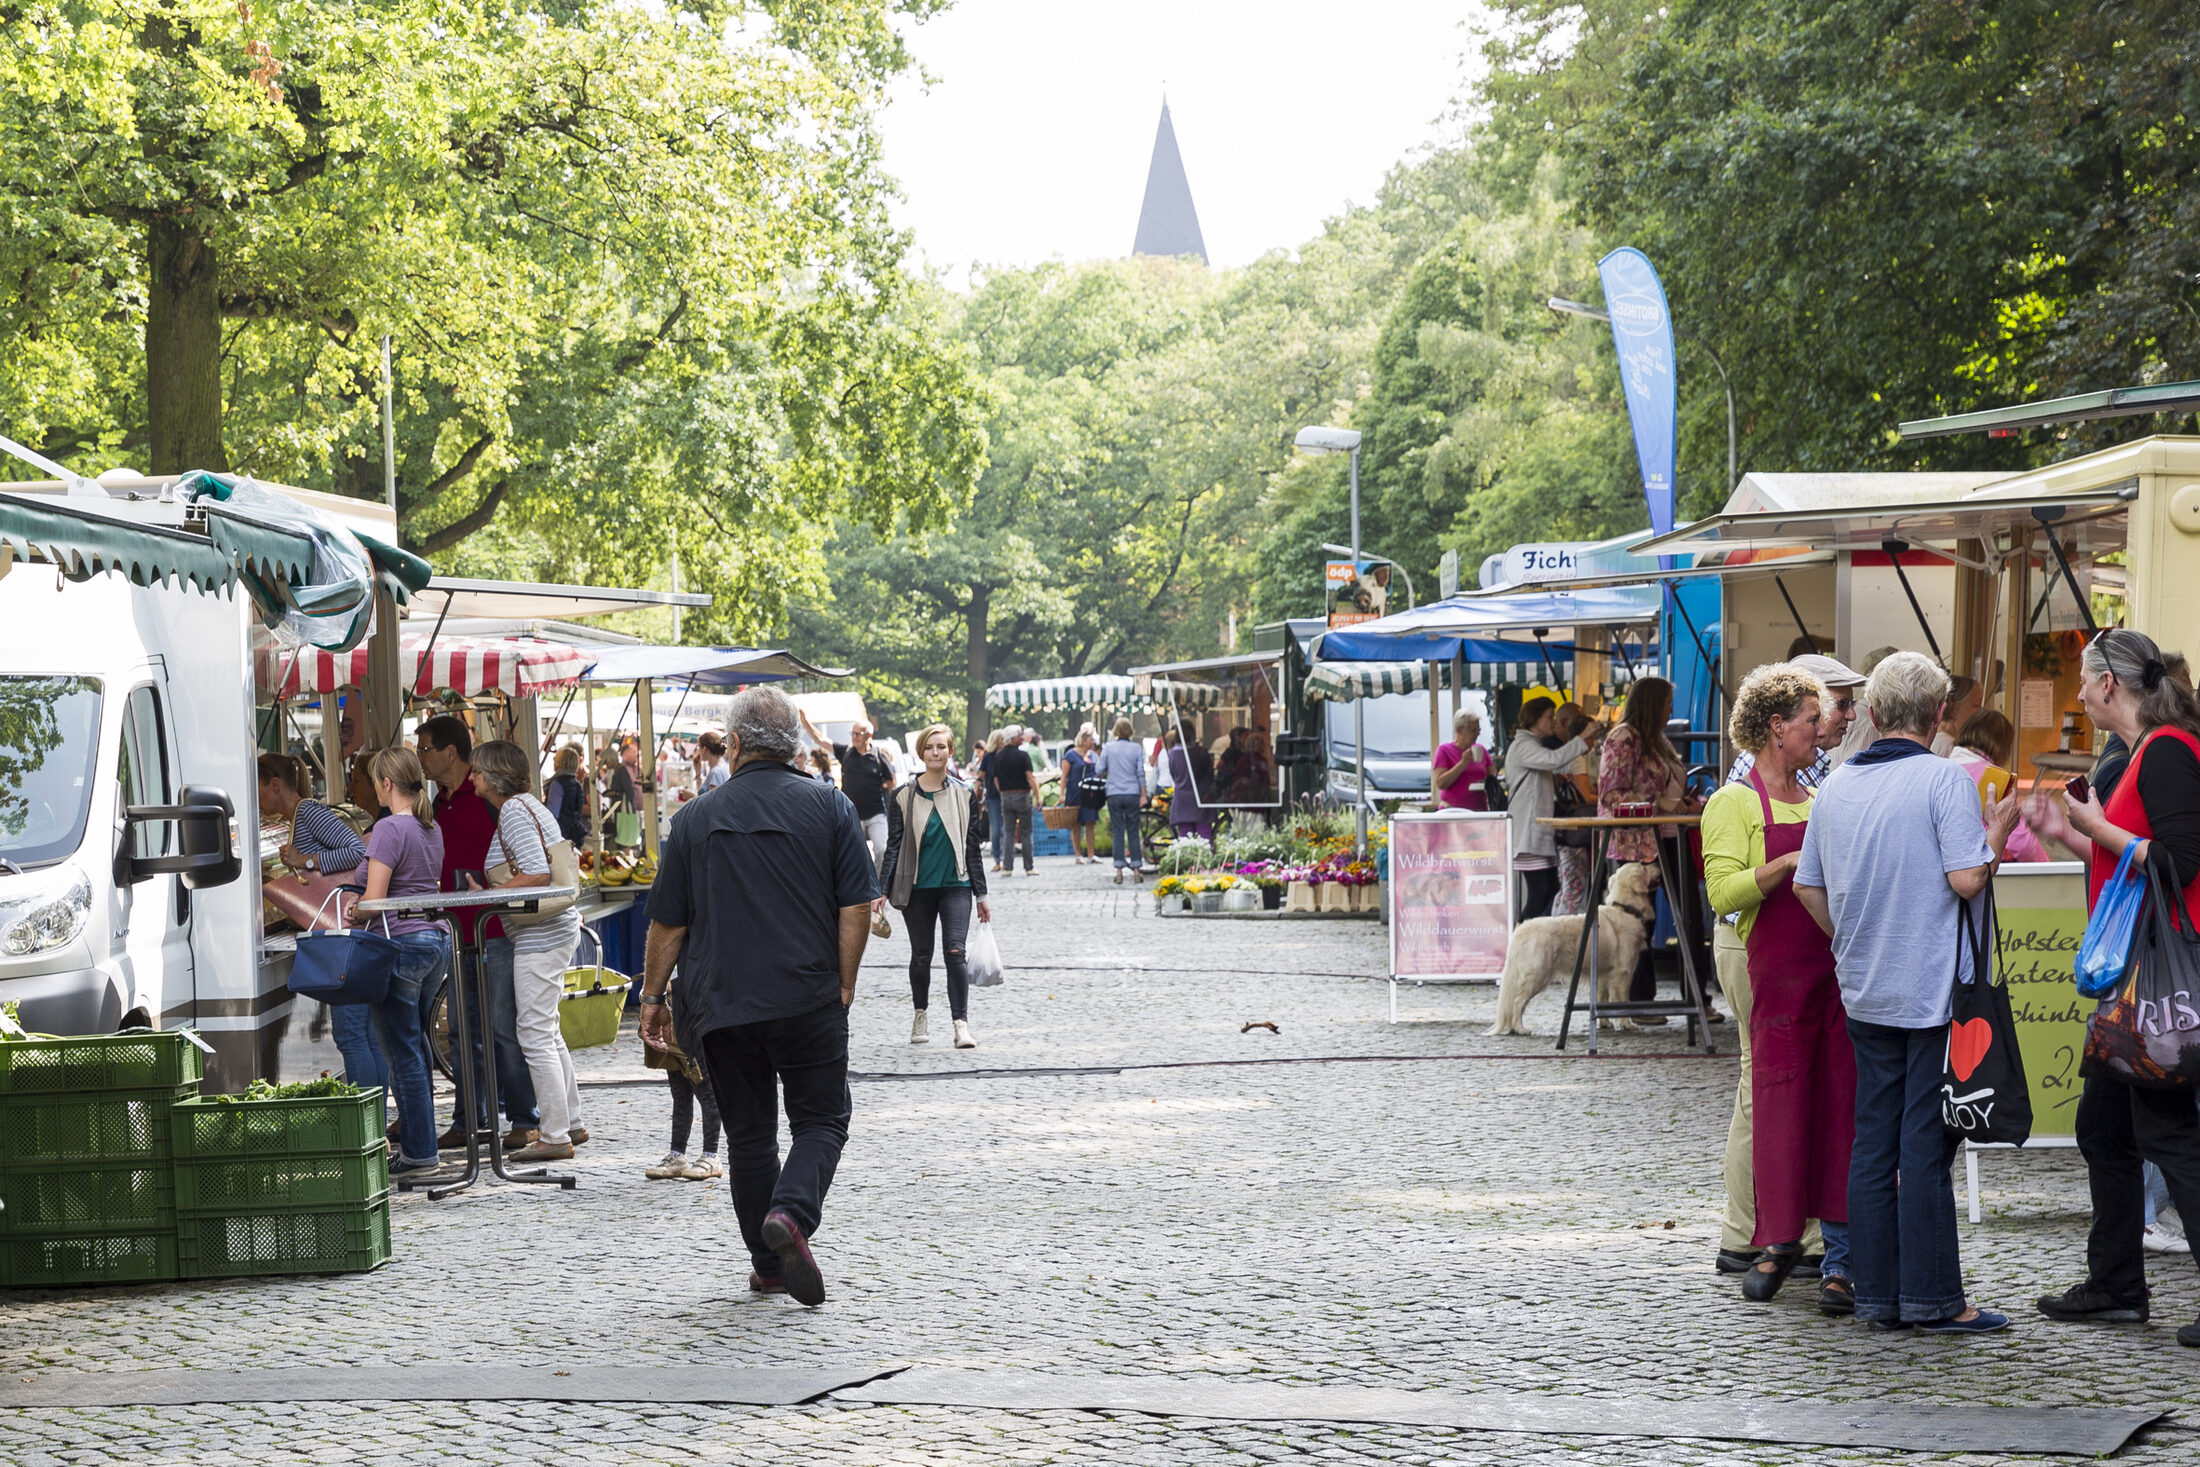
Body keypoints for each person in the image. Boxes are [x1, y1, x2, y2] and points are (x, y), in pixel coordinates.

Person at [1794, 651, 2021, 1333]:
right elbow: (1967, 881)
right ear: (1939, 714)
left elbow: (1808, 885)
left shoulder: (1834, 787)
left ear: (1870, 713)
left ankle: (1876, 1295)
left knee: (1872, 1143)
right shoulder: (1942, 781)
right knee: (1924, 1143)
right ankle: (1933, 1298)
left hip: (1864, 985)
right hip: (1929, 988)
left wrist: (1847, 939)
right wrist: (1999, 834)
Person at [638, 686, 878, 1307]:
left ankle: (769, 1267)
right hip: (808, 995)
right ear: (795, 746)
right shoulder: (831, 807)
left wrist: (653, 998)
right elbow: (858, 903)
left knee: (749, 1139)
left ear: (736, 745)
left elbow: (669, 922)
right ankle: (793, 1216)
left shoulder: (693, 819)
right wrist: (845, 981)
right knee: (822, 1119)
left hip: (722, 1004)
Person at [2021, 629, 2200, 1343]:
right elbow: (2130, 853)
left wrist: (2092, 823)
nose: (2078, 695)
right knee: (2105, 1126)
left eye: (2084, 681)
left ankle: (2120, 1281)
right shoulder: (2147, 753)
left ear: (2107, 686)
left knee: (2170, 1132)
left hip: (2163, 972)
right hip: (2135, 973)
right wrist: (2071, 832)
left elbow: (2180, 861)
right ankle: (2117, 1282)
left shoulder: (2166, 751)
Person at [1702, 663, 1854, 1312]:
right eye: (1811, 720)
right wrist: (1786, 864)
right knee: (1769, 1095)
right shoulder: (1732, 801)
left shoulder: (1821, 798)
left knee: (1830, 1099)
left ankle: (1823, 1240)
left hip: (1826, 968)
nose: (1822, 730)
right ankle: (1764, 1234)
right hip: (1765, 962)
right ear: (1775, 727)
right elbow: (1723, 891)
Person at [417, 715, 539, 1148]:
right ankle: (471, 1119)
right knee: (462, 1031)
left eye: (425, 749)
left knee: (504, 1026)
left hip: (496, 927)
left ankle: (526, 1118)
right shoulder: (438, 800)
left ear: (450, 751)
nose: (421, 758)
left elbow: (530, 859)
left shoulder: (488, 794)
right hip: (458, 928)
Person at [468, 740, 586, 1164]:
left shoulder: (515, 810)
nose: (472, 778)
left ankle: (554, 1134)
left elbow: (535, 871)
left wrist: (493, 894)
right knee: (546, 1029)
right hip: (551, 931)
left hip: (541, 935)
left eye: (478, 771)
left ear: (494, 774)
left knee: (533, 1032)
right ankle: (569, 1121)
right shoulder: (526, 805)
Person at [353, 748, 452, 1179]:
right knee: (418, 1048)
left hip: (398, 944)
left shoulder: (389, 828)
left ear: (386, 785)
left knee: (403, 1054)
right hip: (435, 941)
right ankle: (420, 1146)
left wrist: (352, 908)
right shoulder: (431, 827)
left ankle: (420, 1154)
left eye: (376, 781)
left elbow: (374, 901)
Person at [879, 722, 992, 1048]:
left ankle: (961, 1025)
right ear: (922, 752)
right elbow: (894, 845)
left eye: (941, 747)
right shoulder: (902, 796)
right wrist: (882, 891)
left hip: (956, 884)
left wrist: (981, 894)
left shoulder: (964, 794)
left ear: (950, 751)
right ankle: (920, 1014)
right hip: (917, 888)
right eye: (930, 747)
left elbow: (972, 848)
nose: (935, 752)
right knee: (921, 955)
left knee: (956, 951)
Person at [1503, 696, 1602, 922]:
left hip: (1537, 832)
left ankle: (1529, 937)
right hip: (1529, 832)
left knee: (1549, 888)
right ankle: (1523, 939)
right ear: (1536, 719)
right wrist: (1582, 738)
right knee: (1540, 891)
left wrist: (1554, 780)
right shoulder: (1523, 745)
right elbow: (1553, 759)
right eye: (1549, 717)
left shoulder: (1528, 745)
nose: (1553, 722)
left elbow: (1539, 773)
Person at [1727, 653, 1864, 790]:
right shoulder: (1766, 770)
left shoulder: (1802, 764)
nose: (1852, 715)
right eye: (1843, 704)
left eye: (1852, 704)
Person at [641, 975, 722, 1183]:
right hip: (671, 1005)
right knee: (680, 1091)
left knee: (704, 1086)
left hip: (696, 1005)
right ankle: (677, 1155)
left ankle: (711, 1155)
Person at [797, 712, 897, 871]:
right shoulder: (846, 752)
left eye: (858, 734)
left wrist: (893, 809)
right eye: (853, 733)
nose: (854, 737)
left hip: (876, 814)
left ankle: (879, 886)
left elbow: (892, 782)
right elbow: (820, 740)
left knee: (881, 849)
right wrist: (805, 722)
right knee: (853, 855)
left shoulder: (879, 756)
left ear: (869, 736)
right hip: (852, 815)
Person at [1946, 711, 2049, 862]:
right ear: (2002, 747)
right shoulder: (1995, 779)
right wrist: (2046, 866)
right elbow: (2020, 841)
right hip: (1982, 869)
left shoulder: (1942, 770)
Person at [258, 753, 364, 878]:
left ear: (275, 786)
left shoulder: (308, 811)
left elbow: (358, 851)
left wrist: (302, 860)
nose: (254, 798)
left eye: (256, 789)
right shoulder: (296, 817)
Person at [1550, 706, 1597, 918]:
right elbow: (1585, 796)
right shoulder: (1577, 758)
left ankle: (1557, 922)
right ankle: (1568, 933)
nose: (1594, 743)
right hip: (1575, 833)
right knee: (1575, 887)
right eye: (1592, 737)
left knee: (1565, 886)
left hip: (1563, 831)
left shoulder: (1562, 755)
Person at [1096, 716, 1149, 884]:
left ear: (1116, 731)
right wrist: (1143, 794)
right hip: (1132, 793)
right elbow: (1141, 773)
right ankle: (1136, 869)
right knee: (1133, 831)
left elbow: (1098, 770)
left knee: (1118, 831)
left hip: (1114, 793)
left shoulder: (1109, 748)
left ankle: (1119, 870)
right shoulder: (1136, 748)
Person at [989, 723, 1038, 876]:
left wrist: (1003, 792)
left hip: (1005, 796)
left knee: (1008, 832)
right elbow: (1030, 776)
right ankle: (1029, 867)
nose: (1022, 737)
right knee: (1026, 832)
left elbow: (996, 779)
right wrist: (1037, 794)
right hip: (1022, 796)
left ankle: (1007, 867)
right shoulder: (1023, 755)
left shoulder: (998, 756)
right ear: (1013, 738)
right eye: (1020, 735)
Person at [1159, 727, 1212, 846]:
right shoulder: (1201, 752)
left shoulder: (1172, 754)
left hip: (1182, 799)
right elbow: (1209, 774)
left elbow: (1173, 775)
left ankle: (1186, 863)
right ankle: (1205, 862)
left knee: (1185, 837)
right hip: (1201, 798)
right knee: (1204, 837)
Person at [1432, 710, 1491, 812]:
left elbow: (1492, 775)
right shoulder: (1444, 750)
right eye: (1473, 730)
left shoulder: (1481, 750)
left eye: (1479, 730)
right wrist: (1463, 763)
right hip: (1453, 811)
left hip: (1478, 812)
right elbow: (1441, 783)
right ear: (1459, 730)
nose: (1477, 734)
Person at [1062, 725, 1103, 864]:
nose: (1093, 742)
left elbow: (1099, 771)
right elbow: (1064, 776)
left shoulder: (1093, 755)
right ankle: (1078, 855)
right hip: (1075, 793)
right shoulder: (1070, 755)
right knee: (1076, 824)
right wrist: (1062, 795)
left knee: (1091, 823)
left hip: (1090, 794)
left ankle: (1091, 854)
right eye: (1091, 739)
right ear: (1084, 740)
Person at [544, 745, 589, 844]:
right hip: (575, 834)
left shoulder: (557, 784)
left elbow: (552, 814)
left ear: (559, 763)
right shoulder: (577, 784)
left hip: (560, 836)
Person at [978, 729, 1009, 872]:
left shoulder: (1006, 755)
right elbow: (981, 776)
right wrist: (975, 792)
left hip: (1008, 794)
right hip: (993, 796)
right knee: (996, 829)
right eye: (1002, 740)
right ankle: (998, 859)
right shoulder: (988, 757)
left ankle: (1006, 859)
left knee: (1006, 829)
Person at [1932, 676, 1982, 757]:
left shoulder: (1934, 738)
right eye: (1976, 705)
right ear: (1954, 709)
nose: (1981, 711)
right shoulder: (1949, 747)